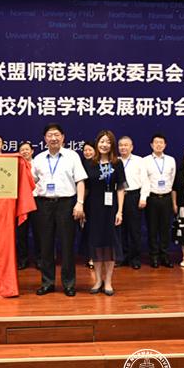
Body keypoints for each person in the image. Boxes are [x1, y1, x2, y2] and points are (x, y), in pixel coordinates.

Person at [32, 123, 87, 297]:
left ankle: (68, 284)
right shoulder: (38, 158)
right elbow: (31, 181)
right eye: (50, 135)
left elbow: (80, 181)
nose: (53, 138)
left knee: (67, 245)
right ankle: (47, 283)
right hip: (44, 204)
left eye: (56, 135)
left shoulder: (72, 156)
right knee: (45, 245)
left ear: (63, 137)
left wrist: (80, 203)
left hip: (66, 203)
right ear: (45, 138)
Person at [83, 130, 125, 296]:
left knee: (110, 245)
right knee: (96, 245)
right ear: (97, 143)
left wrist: (120, 211)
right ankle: (98, 280)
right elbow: (85, 188)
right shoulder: (89, 164)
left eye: (108, 142)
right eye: (101, 141)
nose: (104, 145)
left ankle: (108, 281)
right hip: (93, 208)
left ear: (112, 144)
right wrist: (81, 207)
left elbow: (120, 188)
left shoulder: (117, 163)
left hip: (111, 208)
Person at [141, 133, 176, 268]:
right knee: (152, 229)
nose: (158, 145)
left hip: (166, 198)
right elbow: (144, 180)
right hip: (152, 198)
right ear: (151, 145)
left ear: (165, 145)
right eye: (156, 142)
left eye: (161, 142)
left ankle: (165, 256)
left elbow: (172, 179)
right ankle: (154, 256)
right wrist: (144, 197)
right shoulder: (145, 161)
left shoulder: (171, 160)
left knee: (165, 228)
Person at [117, 136, 148, 270]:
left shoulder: (139, 161)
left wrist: (143, 197)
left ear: (131, 147)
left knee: (134, 229)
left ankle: (135, 258)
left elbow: (145, 181)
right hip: (118, 197)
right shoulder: (115, 161)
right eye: (121, 145)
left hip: (134, 196)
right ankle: (122, 257)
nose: (123, 147)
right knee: (120, 229)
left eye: (126, 145)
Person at [16, 141, 37, 270]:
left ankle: (39, 260)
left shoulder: (38, 164)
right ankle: (23, 260)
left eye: (27, 149)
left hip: (36, 201)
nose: (24, 152)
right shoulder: (16, 166)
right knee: (21, 234)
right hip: (22, 202)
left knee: (38, 232)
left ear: (32, 151)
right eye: (22, 150)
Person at [80, 140, 95, 269]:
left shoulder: (98, 164)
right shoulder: (80, 164)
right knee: (88, 230)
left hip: (96, 201)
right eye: (85, 150)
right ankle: (90, 256)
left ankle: (96, 257)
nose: (87, 152)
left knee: (96, 230)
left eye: (90, 150)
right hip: (84, 201)